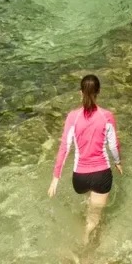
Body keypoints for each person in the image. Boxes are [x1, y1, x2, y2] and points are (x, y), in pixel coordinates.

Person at [48, 73, 122, 246]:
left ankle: (86, 232)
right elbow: (113, 145)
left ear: (80, 93)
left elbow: (64, 147)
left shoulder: (72, 117)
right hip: (101, 175)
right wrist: (118, 162)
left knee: (90, 203)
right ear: (98, 92)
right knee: (95, 216)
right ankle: (86, 239)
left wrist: (56, 177)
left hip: (79, 178)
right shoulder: (106, 116)